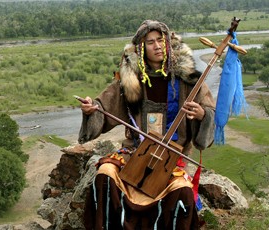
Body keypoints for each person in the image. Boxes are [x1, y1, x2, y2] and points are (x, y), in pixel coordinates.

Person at [79, 20, 215, 229]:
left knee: (182, 192)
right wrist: (91, 108)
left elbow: (209, 112)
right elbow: (103, 106)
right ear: (141, 49)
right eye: (150, 42)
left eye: (161, 40)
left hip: (172, 160)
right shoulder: (130, 81)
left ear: (169, 44)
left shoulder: (189, 80)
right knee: (105, 173)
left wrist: (201, 114)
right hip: (134, 154)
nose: (157, 46)